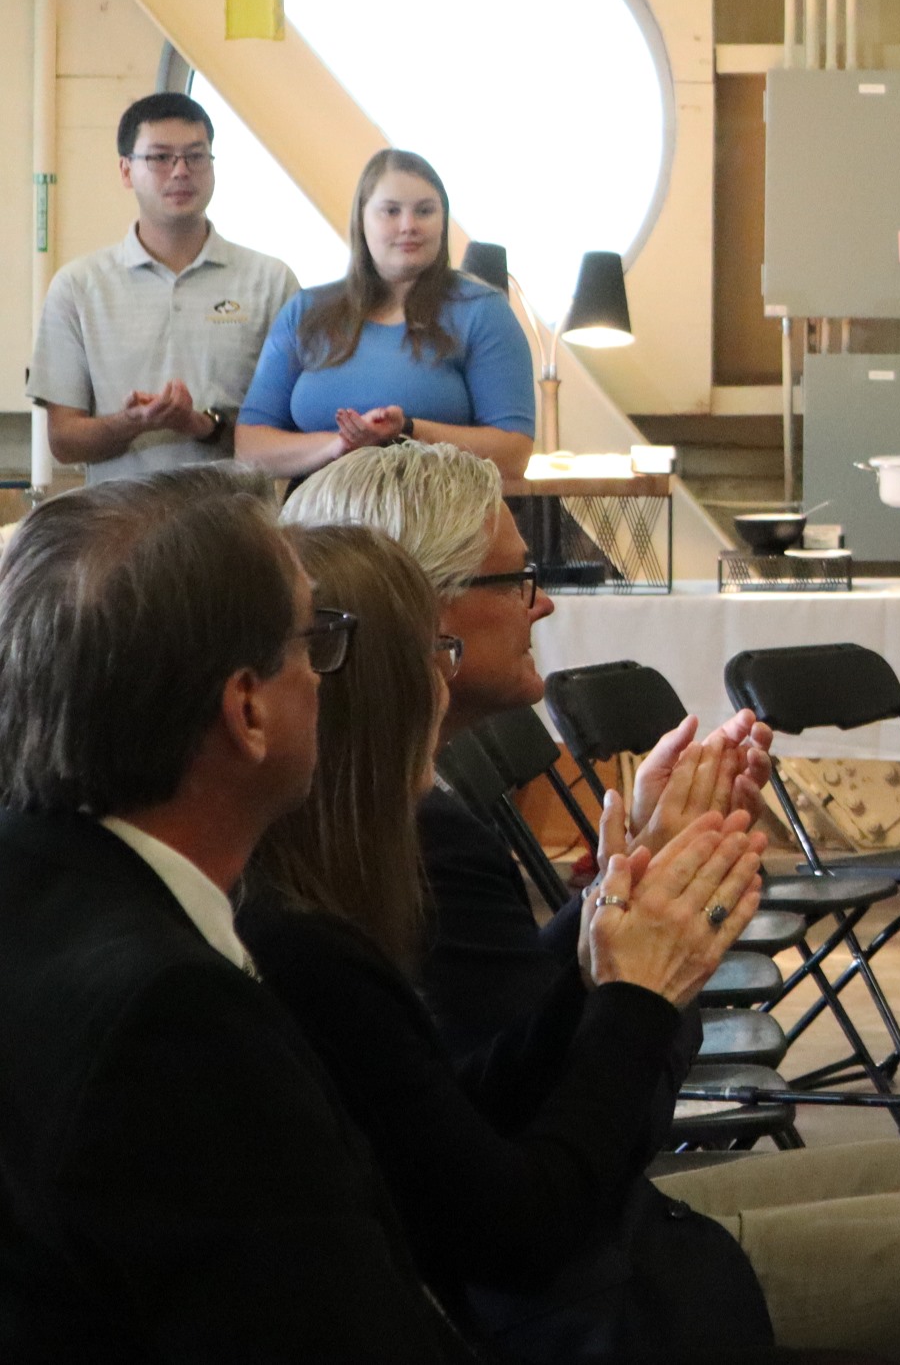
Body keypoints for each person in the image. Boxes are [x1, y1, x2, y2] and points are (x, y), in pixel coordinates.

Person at [281, 442, 900, 1364]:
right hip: (588, 1292)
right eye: (521, 577)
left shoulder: (360, 834)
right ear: (425, 620)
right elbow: (559, 1165)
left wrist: (637, 885)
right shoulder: (413, 848)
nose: (546, 600)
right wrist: (653, 977)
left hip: (585, 1245)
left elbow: (498, 1075)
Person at [242, 522, 788, 1360]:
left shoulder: (318, 889)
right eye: (435, 648)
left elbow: (458, 1113)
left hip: (604, 1257)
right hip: (590, 1290)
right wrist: (643, 994)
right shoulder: (323, 924)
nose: (543, 601)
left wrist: (618, 919)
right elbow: (527, 1211)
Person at [0, 466, 476, 1362]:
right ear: (247, 708)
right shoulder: (175, 1021)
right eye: (315, 639)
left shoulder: (33, 878)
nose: (330, 676)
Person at [30, 90, 300, 482]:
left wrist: (203, 424)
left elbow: (292, 424)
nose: (180, 171)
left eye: (196, 155)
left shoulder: (271, 281)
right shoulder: (78, 286)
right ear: (126, 170)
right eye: (160, 157)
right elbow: (64, 440)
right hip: (118, 528)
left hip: (238, 526)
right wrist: (130, 422)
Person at [239, 146, 536, 480]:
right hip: (313, 524)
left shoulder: (483, 311)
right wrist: (340, 445)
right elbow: (250, 447)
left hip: (439, 522)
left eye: (425, 211)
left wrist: (408, 431)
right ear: (361, 220)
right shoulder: (305, 311)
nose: (408, 225)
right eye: (391, 211)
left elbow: (514, 454)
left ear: (442, 221)